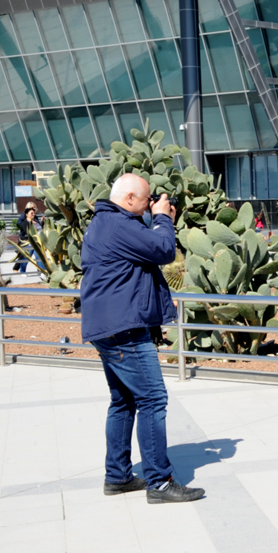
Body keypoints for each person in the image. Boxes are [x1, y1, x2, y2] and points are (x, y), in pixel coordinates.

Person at [80, 173, 205, 504]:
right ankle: (159, 483)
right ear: (130, 199)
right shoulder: (120, 225)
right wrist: (164, 218)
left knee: (123, 400)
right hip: (124, 330)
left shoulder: (105, 222)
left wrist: (153, 216)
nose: (150, 204)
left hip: (108, 326)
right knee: (152, 399)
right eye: (147, 200)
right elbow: (163, 250)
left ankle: (118, 476)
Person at [14, 203, 44, 273]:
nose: (33, 211)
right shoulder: (25, 217)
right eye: (32, 207)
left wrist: (42, 222)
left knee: (38, 256)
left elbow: (39, 228)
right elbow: (20, 224)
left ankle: (42, 271)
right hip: (27, 241)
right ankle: (20, 270)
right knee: (25, 256)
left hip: (37, 241)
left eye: (34, 207)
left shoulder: (35, 218)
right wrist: (27, 225)